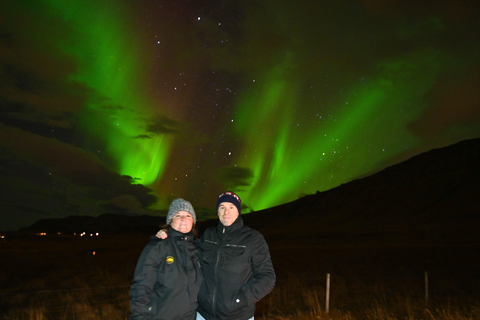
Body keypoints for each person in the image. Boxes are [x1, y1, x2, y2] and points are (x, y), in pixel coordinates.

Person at [157, 191, 276, 320]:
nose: (226, 212)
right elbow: (188, 248)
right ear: (217, 211)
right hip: (203, 314)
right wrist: (170, 233)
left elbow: (267, 277)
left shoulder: (253, 239)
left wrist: (239, 300)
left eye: (231, 207)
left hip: (237, 316)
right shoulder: (209, 235)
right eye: (222, 207)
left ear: (238, 211)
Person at [129, 198, 202, 320]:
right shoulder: (158, 247)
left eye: (188, 215)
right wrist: (139, 316)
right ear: (170, 221)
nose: (183, 219)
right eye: (178, 215)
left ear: (193, 222)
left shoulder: (197, 249)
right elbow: (141, 287)